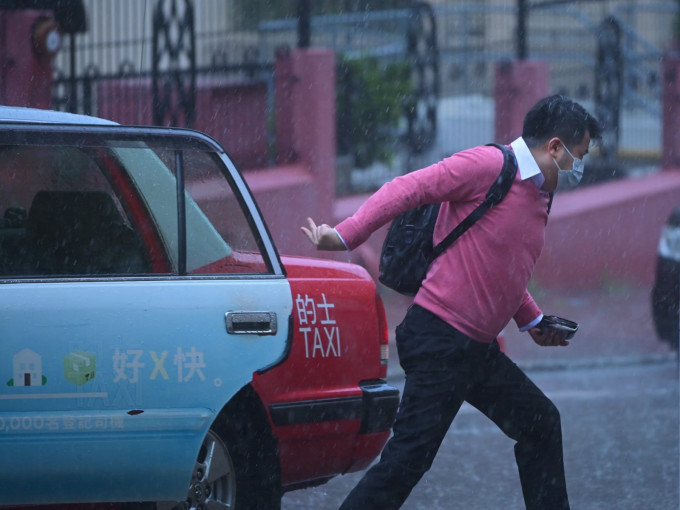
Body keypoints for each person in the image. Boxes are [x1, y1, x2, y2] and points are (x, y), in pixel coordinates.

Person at [301, 94, 602, 510]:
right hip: (440, 338)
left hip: (476, 350)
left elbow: (505, 265)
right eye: (575, 157)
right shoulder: (491, 166)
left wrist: (532, 322)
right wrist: (346, 235)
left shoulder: (539, 193)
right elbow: (408, 187)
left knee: (541, 424)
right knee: (408, 460)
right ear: (553, 147)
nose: (576, 169)